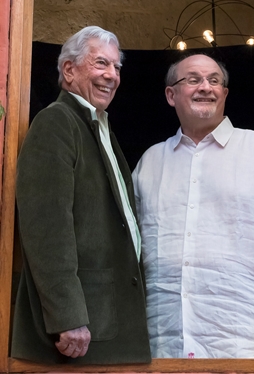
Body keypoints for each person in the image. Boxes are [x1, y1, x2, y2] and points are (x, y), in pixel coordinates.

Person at [132, 54, 254, 367]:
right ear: (171, 95)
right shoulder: (150, 162)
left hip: (244, 340)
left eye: (214, 81)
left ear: (224, 94)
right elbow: (129, 244)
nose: (206, 87)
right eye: (194, 79)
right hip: (164, 342)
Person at [11, 26, 151, 364]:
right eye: (101, 63)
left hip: (107, 323)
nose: (111, 75)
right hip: (81, 328)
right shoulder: (56, 122)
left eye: (117, 67)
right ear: (69, 70)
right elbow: (47, 230)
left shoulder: (98, 126)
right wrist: (67, 316)